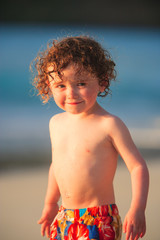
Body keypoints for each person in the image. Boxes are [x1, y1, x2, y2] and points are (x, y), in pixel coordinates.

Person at [31, 36, 149, 240]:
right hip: (63, 216)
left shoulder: (109, 124)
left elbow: (137, 167)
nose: (71, 93)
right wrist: (50, 203)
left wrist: (138, 208)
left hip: (98, 219)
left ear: (102, 82)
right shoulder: (55, 123)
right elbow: (57, 165)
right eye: (61, 85)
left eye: (81, 83)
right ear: (47, 85)